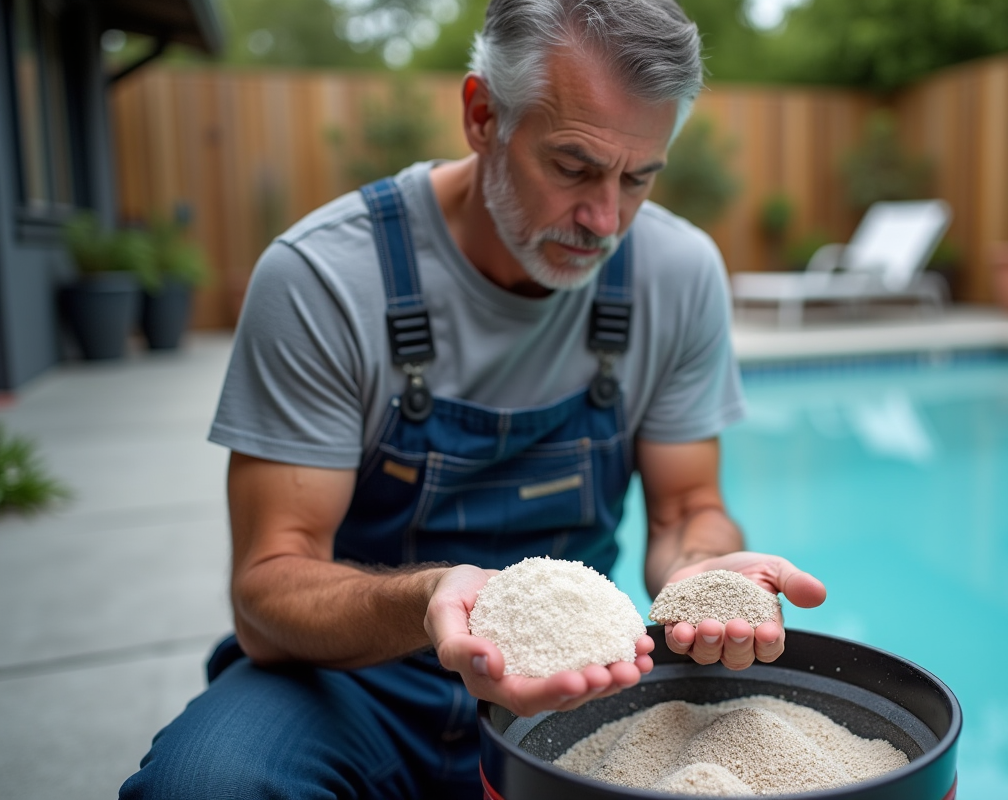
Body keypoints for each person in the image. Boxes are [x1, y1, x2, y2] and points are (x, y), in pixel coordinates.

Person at [120, 0, 826, 797]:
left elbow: (684, 508)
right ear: (483, 115)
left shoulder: (677, 271)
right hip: (355, 687)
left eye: (639, 178)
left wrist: (701, 573)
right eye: (572, 167)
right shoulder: (325, 279)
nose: (605, 220)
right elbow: (267, 591)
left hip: (580, 689)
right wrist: (430, 598)